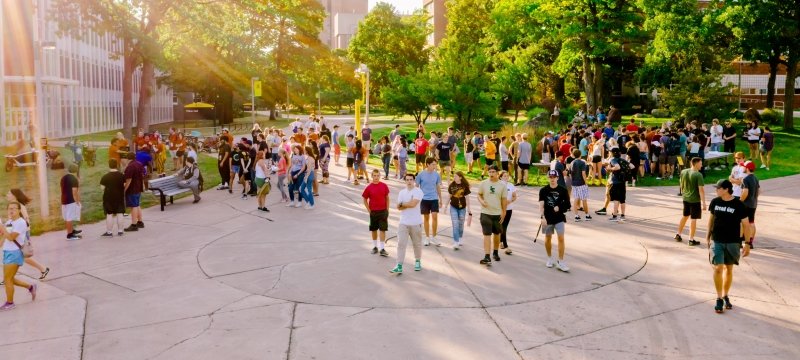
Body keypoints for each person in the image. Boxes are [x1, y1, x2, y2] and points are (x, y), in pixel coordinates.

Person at [706, 179, 750, 314]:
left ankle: (725, 295)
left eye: (718, 188)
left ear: (726, 189)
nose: (716, 190)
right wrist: (708, 236)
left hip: (732, 242)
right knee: (718, 268)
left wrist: (747, 243)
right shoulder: (715, 202)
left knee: (729, 270)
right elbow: (711, 219)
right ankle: (719, 298)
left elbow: (746, 225)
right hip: (717, 240)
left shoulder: (738, 205)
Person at [4, 189, 49, 280]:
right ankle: (7, 277)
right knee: (16, 255)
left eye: (9, 193)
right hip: (17, 234)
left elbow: (25, 221)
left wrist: (20, 233)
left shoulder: (19, 206)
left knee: (22, 256)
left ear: (14, 195)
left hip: (21, 235)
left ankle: (43, 269)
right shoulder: (14, 206)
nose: (7, 195)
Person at [1, 202, 37, 311]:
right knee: (9, 278)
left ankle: (10, 303)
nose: (11, 210)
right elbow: (4, 237)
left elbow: (11, 237)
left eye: (14, 208)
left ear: (19, 210)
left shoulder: (21, 222)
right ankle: (30, 287)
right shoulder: (9, 222)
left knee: (7, 279)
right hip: (7, 252)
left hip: (15, 253)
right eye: (9, 208)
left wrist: (1, 227)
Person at [390, 173, 424, 274]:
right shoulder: (402, 193)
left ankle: (417, 261)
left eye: (411, 180)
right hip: (403, 222)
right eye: (407, 180)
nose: (409, 182)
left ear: (414, 181)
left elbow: (413, 204)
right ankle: (399, 265)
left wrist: (403, 204)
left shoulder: (418, 191)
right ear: (405, 181)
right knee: (401, 244)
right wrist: (406, 204)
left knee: (416, 244)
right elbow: (398, 207)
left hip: (415, 222)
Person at [539, 170, 571, 272]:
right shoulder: (543, 190)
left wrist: (559, 207)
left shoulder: (563, 190)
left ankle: (560, 261)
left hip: (559, 218)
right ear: (548, 178)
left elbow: (568, 205)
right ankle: (549, 258)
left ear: (557, 178)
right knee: (548, 238)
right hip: (547, 218)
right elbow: (541, 205)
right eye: (550, 177)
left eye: (554, 177)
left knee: (561, 238)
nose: (552, 179)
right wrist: (542, 217)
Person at [477, 166, 507, 265]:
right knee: (486, 234)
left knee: (497, 234)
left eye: (493, 172)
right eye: (489, 172)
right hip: (485, 213)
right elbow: (479, 194)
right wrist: (482, 201)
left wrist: (504, 212)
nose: (491, 174)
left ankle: (495, 252)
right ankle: (487, 256)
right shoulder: (483, 183)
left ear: (498, 173)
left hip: (497, 213)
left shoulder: (502, 185)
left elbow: (504, 200)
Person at [363, 169, 391, 256]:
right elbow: (364, 199)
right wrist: (369, 210)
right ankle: (375, 247)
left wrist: (387, 209)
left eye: (378, 175)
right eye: (374, 175)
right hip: (373, 212)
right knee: (374, 229)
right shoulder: (368, 187)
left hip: (383, 211)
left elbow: (387, 198)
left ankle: (382, 248)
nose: (376, 177)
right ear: (372, 176)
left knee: (383, 230)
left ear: (380, 176)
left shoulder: (384, 186)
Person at [416, 158, 442, 246]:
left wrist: (440, 199)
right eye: (433, 164)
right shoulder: (421, 174)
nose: (435, 166)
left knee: (435, 216)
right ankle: (427, 237)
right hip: (424, 199)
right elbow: (416, 187)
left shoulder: (437, 175)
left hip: (434, 198)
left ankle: (434, 237)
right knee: (426, 218)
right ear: (427, 164)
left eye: (435, 164)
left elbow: (438, 187)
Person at [445, 171, 471, 249]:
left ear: (460, 177)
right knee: (455, 223)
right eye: (454, 176)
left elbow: (467, 198)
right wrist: (445, 206)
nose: (454, 177)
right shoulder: (451, 185)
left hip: (462, 207)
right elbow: (449, 196)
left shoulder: (465, 186)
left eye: (456, 176)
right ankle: (456, 242)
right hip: (453, 206)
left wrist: (469, 209)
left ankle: (460, 237)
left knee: (461, 224)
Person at [100, 159, 126, 237]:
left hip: (108, 197)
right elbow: (124, 185)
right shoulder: (122, 175)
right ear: (117, 165)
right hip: (119, 197)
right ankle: (120, 231)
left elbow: (102, 188)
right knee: (120, 213)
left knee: (109, 214)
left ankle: (109, 232)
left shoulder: (105, 176)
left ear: (109, 165)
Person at [739, 161, 759, 248]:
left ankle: (739, 242)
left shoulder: (745, 179)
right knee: (751, 222)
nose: (743, 168)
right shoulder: (756, 178)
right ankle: (750, 242)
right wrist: (754, 199)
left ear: (747, 168)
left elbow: (745, 192)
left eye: (744, 166)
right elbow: (758, 191)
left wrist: (740, 201)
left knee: (741, 222)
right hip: (753, 204)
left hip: (745, 204)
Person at [123, 152, 145, 232]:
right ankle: (140, 222)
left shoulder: (130, 166)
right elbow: (143, 174)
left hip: (132, 189)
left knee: (133, 206)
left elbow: (128, 179)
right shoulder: (139, 163)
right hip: (138, 187)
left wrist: (124, 189)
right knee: (137, 204)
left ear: (127, 158)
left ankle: (134, 224)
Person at [60, 163, 82, 240]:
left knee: (68, 217)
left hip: (63, 199)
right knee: (69, 218)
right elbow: (74, 192)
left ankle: (72, 231)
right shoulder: (74, 179)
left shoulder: (63, 178)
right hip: (71, 200)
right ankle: (69, 235)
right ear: (76, 171)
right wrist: (77, 201)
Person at [570, 149, 592, 221]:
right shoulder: (582, 163)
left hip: (574, 183)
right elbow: (583, 173)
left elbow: (570, 174)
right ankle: (587, 215)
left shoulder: (572, 162)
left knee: (576, 199)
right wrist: (586, 182)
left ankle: (576, 216)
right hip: (581, 183)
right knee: (584, 199)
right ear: (580, 154)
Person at [499, 171, 518, 255]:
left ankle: (500, 242)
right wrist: (503, 202)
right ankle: (506, 246)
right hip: (500, 209)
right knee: (502, 227)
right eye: (504, 176)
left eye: (507, 176)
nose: (506, 177)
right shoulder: (498, 185)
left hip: (509, 209)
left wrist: (510, 201)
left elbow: (514, 196)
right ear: (500, 177)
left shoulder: (511, 185)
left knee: (504, 226)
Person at [606, 148, 627, 222]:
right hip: (622, 182)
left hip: (615, 182)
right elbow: (632, 166)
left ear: (612, 153)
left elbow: (617, 167)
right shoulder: (622, 160)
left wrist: (610, 169)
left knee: (616, 199)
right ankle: (623, 216)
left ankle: (614, 216)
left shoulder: (613, 160)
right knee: (622, 200)